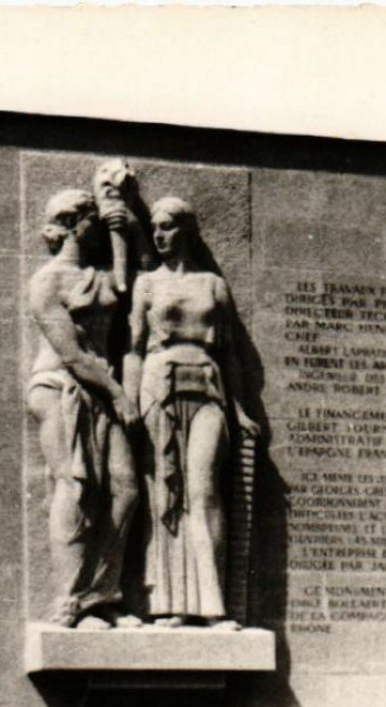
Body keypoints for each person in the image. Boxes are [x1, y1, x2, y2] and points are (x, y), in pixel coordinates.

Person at [126, 197, 262, 628]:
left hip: (207, 385)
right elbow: (132, 350)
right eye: (155, 229)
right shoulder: (146, 284)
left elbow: (233, 355)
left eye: (168, 227)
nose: (160, 236)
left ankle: (213, 605)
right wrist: (129, 402)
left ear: (187, 229)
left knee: (204, 492)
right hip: (158, 385)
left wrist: (239, 408)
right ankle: (170, 605)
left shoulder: (212, 285)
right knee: (166, 493)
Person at [26, 188, 143, 630]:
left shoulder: (96, 274)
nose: (97, 221)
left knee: (126, 487)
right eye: (93, 216)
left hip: (102, 390)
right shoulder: (46, 281)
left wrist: (123, 232)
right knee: (75, 487)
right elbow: (71, 354)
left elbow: (124, 287)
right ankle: (69, 600)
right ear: (75, 222)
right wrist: (117, 393)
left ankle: (101, 596)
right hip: (60, 386)